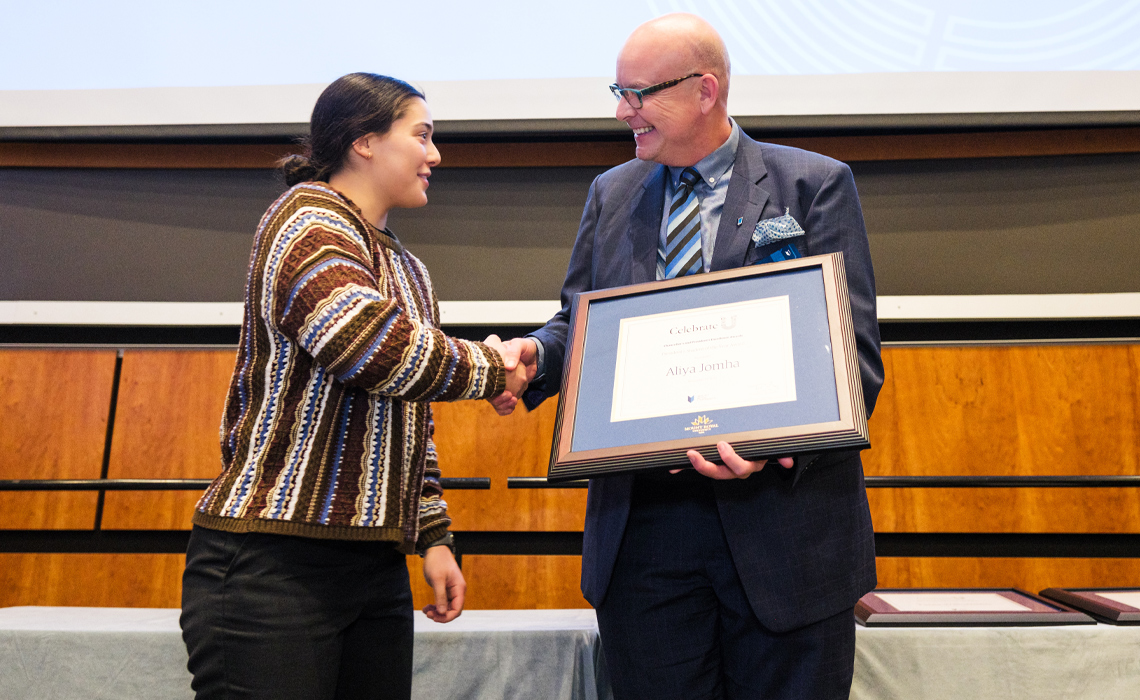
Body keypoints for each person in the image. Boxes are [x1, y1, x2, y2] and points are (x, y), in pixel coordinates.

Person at [492, 14, 884, 700]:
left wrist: (772, 444)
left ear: (706, 91)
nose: (623, 112)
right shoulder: (611, 194)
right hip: (645, 535)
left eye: (639, 94)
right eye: (619, 91)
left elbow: (853, 358)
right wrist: (536, 353)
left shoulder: (812, 186)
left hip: (782, 528)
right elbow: (582, 327)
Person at [180, 72, 529, 700]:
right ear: (364, 142)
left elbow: (408, 415)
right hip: (272, 562)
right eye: (421, 136)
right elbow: (369, 349)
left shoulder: (407, 268)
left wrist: (432, 536)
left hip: (373, 566)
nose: (435, 154)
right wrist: (492, 368)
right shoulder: (306, 218)